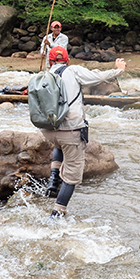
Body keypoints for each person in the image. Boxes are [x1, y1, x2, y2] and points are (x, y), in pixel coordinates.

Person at [41, 46, 127, 217]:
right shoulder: (73, 70)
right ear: (67, 60)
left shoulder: (43, 76)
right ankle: (56, 214)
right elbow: (97, 77)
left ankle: (53, 180)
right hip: (70, 130)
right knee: (71, 176)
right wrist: (117, 71)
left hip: (48, 130)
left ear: (50, 61)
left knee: (59, 143)